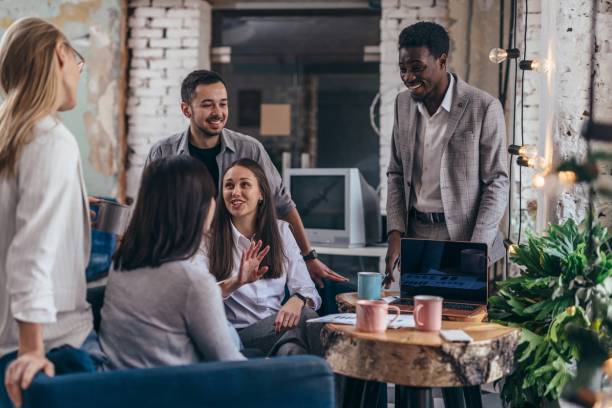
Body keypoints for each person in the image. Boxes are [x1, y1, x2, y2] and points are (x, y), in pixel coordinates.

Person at [146, 69, 347, 288]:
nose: (218, 112)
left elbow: (282, 203)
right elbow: (148, 213)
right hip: (179, 260)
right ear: (186, 109)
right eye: (207, 105)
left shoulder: (250, 149)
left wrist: (308, 257)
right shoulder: (163, 153)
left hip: (231, 262)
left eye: (223, 104)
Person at [0, 17, 101, 407]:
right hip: (57, 346)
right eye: (78, 57)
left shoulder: (13, 138)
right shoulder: (52, 140)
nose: (80, 69)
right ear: (60, 54)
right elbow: (30, 254)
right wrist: (32, 352)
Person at [384, 21, 508, 287]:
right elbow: (395, 172)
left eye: (417, 68)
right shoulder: (402, 104)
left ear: (442, 61)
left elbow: (497, 182)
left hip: (462, 238)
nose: (408, 78)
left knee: (457, 320)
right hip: (415, 235)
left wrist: (477, 247)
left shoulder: (484, 107)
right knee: (413, 320)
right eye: (403, 69)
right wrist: (395, 231)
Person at [99, 156, 251, 369]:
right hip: (173, 390)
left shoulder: (122, 262)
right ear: (197, 209)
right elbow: (231, 365)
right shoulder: (192, 282)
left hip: (118, 388)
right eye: (210, 197)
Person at [208, 158, 323, 356]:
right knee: (308, 318)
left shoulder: (281, 232)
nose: (235, 192)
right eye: (229, 186)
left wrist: (298, 299)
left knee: (292, 350)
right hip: (237, 335)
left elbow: (308, 291)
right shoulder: (209, 238)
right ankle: (333, 386)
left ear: (261, 193)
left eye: (244, 184)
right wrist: (237, 281)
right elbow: (198, 296)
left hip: (280, 329)